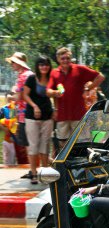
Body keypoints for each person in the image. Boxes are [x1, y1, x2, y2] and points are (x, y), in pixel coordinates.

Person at [46, 47, 105, 148]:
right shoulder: (54, 73)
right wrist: (55, 92)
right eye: (63, 58)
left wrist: (88, 88)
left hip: (78, 114)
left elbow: (100, 77)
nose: (65, 60)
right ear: (58, 59)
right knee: (63, 143)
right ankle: (67, 163)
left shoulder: (79, 69)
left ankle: (79, 162)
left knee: (81, 143)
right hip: (62, 114)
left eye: (67, 58)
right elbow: (48, 91)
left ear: (71, 58)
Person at [23, 56, 55, 184]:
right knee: (33, 146)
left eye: (46, 64)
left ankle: (45, 172)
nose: (44, 67)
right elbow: (24, 95)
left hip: (47, 116)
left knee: (45, 145)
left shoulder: (52, 78)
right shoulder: (31, 78)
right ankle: (34, 173)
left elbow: (58, 92)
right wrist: (34, 106)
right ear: (37, 66)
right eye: (41, 64)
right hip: (32, 116)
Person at [5, 52, 34, 165]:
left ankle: (33, 170)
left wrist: (10, 97)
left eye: (13, 62)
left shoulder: (23, 76)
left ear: (19, 63)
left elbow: (19, 97)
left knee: (28, 145)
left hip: (25, 115)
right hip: (28, 114)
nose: (11, 64)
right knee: (30, 144)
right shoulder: (29, 74)